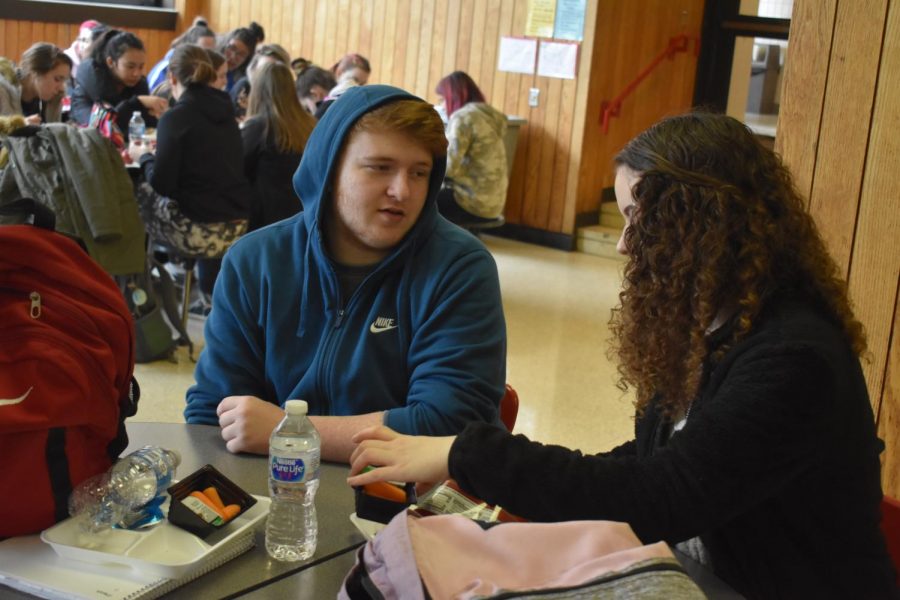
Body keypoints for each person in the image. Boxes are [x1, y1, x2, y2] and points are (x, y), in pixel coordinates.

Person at [347, 112, 898, 599]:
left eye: (637, 217)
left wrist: (468, 454)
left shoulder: (794, 358)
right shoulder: (715, 324)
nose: (623, 242)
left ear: (698, 225)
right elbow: (647, 460)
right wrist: (498, 478)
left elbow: (661, 495)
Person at [185, 85, 507, 464]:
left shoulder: (460, 268)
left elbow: (450, 425)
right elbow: (213, 413)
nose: (402, 190)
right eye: (379, 167)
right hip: (273, 490)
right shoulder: (255, 261)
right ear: (329, 169)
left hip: (404, 502)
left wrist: (287, 431)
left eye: (419, 173)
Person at [128, 45, 251, 297]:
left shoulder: (175, 118)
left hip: (196, 231)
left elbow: (161, 184)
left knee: (135, 191)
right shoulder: (227, 114)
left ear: (171, 78)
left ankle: (138, 291)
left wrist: (144, 158)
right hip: (236, 226)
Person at [241, 61, 315, 230]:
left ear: (257, 91)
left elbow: (236, 167)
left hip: (264, 220)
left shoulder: (259, 127)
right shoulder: (310, 124)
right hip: (303, 215)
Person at [434, 71, 508, 224]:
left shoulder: (463, 117)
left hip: (470, 202)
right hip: (493, 203)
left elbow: (448, 168)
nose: (441, 105)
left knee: (417, 198)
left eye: (442, 100)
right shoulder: (486, 115)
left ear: (452, 96)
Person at [70, 29, 168, 140]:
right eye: (130, 66)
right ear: (111, 62)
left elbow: (146, 126)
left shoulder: (139, 84)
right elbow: (106, 127)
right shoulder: (92, 81)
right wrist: (138, 101)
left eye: (141, 67)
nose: (137, 73)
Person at [0, 43, 72, 124]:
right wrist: (20, 124)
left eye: (64, 81)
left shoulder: (54, 99)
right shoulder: (2, 89)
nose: (62, 88)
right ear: (35, 72)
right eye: (57, 79)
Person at [147, 17, 216, 91]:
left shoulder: (208, 68)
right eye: (203, 51)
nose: (208, 56)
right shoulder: (165, 68)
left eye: (212, 51)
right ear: (189, 45)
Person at [229, 43, 290, 121]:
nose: (268, 73)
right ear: (255, 67)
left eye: (275, 69)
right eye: (264, 68)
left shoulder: (285, 89)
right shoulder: (245, 86)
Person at [219, 22, 265, 92]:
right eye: (232, 48)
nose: (233, 57)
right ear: (225, 45)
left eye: (241, 54)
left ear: (247, 59)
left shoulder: (244, 82)